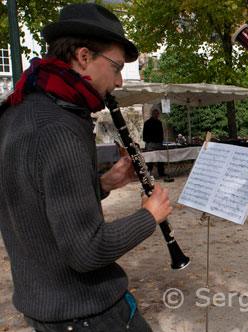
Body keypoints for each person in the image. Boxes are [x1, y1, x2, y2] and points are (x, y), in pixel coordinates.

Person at [0, 3, 173, 331]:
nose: (120, 82)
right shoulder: (60, 127)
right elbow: (86, 251)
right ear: (83, 57)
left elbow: (36, 202)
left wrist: (103, 184)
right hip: (86, 311)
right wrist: (149, 216)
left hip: (45, 305)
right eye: (117, 67)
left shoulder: (17, 110)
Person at [143, 108, 166, 176]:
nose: (156, 115)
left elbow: (161, 132)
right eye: (154, 114)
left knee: (160, 158)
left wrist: (161, 140)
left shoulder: (159, 123)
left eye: (157, 114)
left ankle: (161, 172)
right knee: (150, 158)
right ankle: (149, 172)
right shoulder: (147, 123)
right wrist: (147, 142)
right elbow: (145, 134)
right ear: (152, 114)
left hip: (159, 142)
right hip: (151, 143)